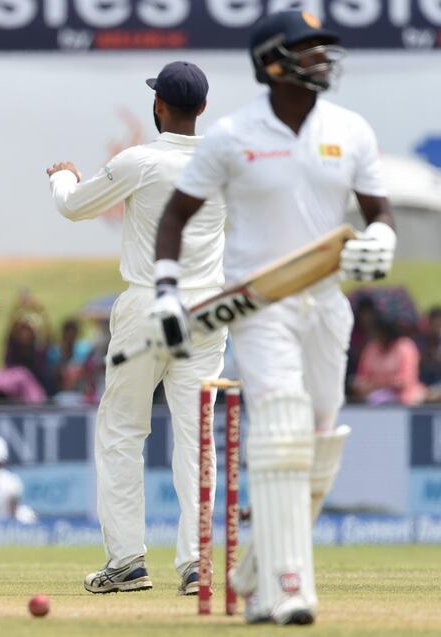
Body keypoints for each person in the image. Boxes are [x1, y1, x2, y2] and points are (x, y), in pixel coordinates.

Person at [149, 11, 395, 624]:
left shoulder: (351, 130)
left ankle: (253, 569)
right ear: (272, 62)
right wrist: (166, 290)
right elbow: (176, 217)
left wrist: (381, 240)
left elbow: (378, 211)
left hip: (327, 304)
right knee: (280, 426)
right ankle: (288, 588)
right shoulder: (233, 136)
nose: (320, 59)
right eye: (306, 49)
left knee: (316, 442)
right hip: (259, 305)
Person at [46, 61, 227, 595]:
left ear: (159, 107)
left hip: (149, 304)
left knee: (123, 432)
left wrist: (63, 175)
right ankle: (196, 565)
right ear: (204, 108)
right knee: (198, 439)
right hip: (208, 310)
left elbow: (74, 208)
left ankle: (126, 561)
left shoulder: (139, 160)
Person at [353, 315, 425, 405]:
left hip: (404, 398)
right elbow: (361, 378)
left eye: (376, 331)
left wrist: (374, 385)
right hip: (372, 396)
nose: (373, 334)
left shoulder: (405, 347)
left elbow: (403, 382)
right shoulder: (371, 348)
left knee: (377, 399)